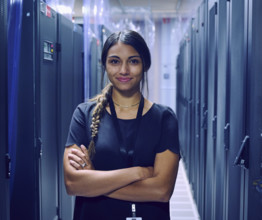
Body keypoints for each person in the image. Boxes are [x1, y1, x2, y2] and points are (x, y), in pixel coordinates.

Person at [63, 30, 181, 220]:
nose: (124, 70)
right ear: (105, 65)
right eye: (115, 61)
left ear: (145, 65)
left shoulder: (164, 119)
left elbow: (161, 190)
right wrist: (139, 172)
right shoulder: (84, 115)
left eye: (133, 61)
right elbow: (72, 183)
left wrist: (94, 181)